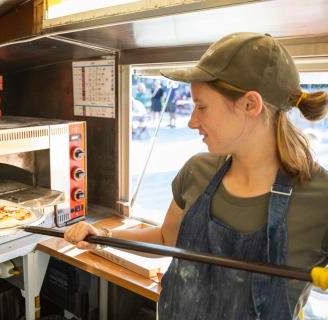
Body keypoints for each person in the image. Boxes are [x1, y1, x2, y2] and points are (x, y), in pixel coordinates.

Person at [64, 32, 328, 319]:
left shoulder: (320, 199)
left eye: (201, 107)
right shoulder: (197, 171)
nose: (191, 121)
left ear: (250, 104)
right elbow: (167, 239)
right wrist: (103, 235)